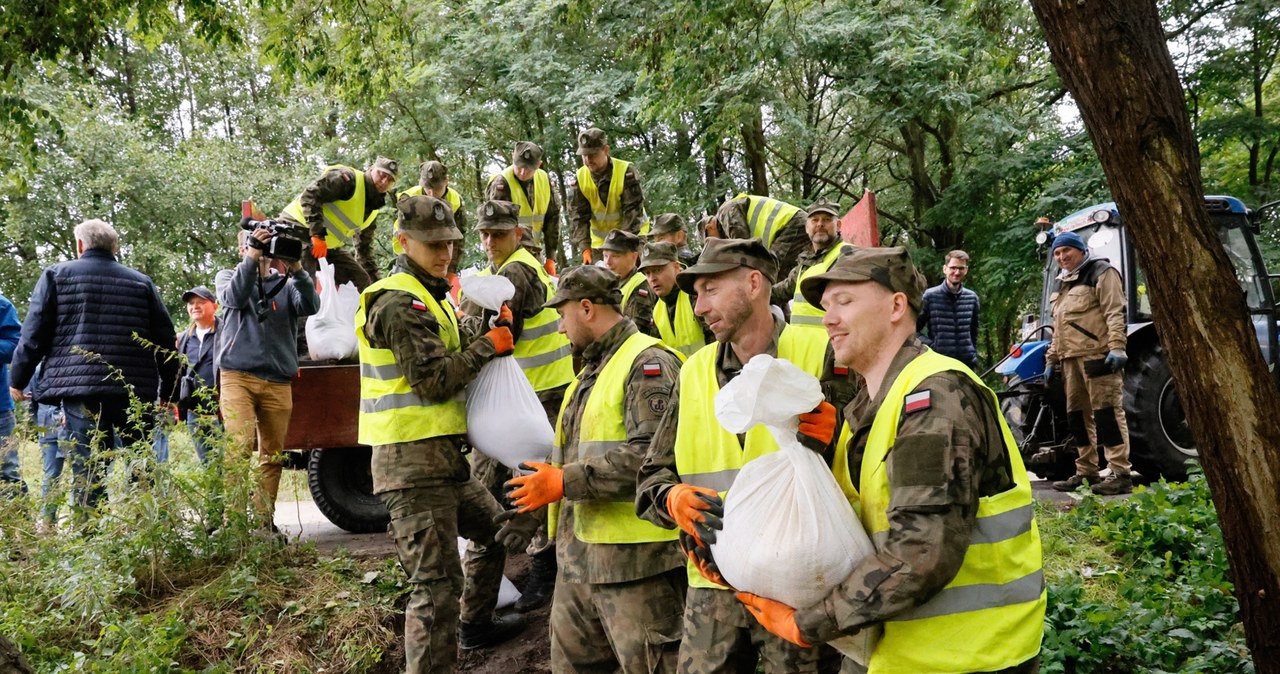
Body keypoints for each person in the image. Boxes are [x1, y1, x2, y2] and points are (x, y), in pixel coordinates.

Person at [734, 246, 1045, 673]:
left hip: (966, 657)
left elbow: (921, 550)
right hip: (905, 653)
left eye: (844, 302)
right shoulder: (870, 404)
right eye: (825, 307)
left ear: (897, 305)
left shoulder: (933, 399)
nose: (828, 319)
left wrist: (810, 623)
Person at [635, 238, 859, 674]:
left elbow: (875, 464)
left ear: (754, 283)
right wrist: (672, 500)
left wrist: (840, 437)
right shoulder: (693, 372)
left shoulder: (822, 353)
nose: (699, 307)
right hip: (712, 582)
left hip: (797, 584)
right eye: (696, 295)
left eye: (710, 290)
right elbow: (651, 480)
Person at [357, 195, 525, 672]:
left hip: (444, 464)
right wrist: (488, 347)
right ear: (401, 241)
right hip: (411, 469)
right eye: (432, 244)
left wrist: (487, 331)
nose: (444, 252)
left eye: (449, 242)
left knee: (497, 535)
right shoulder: (396, 300)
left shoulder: (430, 295)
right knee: (434, 590)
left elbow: (449, 346)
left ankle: (475, 626)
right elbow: (432, 381)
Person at [505, 265, 686, 672]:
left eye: (562, 315)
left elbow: (651, 458)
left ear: (586, 308)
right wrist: (534, 505)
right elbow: (572, 456)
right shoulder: (588, 372)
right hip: (580, 564)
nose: (559, 328)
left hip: (637, 568)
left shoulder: (647, 363)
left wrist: (562, 481)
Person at [9, 220, 178, 520]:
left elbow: (34, 334)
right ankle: (148, 533)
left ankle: (90, 540)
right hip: (132, 390)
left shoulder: (56, 275)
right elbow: (165, 340)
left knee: (87, 468)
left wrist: (18, 379)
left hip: (81, 390)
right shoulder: (142, 282)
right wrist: (168, 392)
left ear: (80, 245)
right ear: (115, 247)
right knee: (140, 463)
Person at [461, 200, 576, 612]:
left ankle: (542, 569)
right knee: (526, 483)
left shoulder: (515, 272)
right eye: (484, 234)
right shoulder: (508, 271)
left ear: (518, 234)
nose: (489, 241)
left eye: (498, 234)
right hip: (528, 396)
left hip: (535, 398)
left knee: (531, 484)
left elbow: (499, 334)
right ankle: (530, 571)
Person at [215, 228, 321, 528]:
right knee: (238, 449)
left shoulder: (285, 285)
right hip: (238, 376)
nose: (261, 249)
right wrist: (252, 258)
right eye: (251, 245)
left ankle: (264, 524)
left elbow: (312, 306)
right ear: (242, 249)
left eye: (264, 245)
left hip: (278, 379)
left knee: (272, 456)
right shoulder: (228, 277)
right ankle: (233, 524)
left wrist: (296, 266)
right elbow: (234, 298)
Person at [1043, 232, 1133, 495]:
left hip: (1098, 355)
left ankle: (1120, 472)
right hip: (1069, 359)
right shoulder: (1062, 284)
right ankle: (1087, 471)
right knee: (1077, 418)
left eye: (1066, 251)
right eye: (1057, 254)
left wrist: (1117, 347)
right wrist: (1051, 359)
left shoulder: (1102, 273)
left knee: (1107, 413)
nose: (1061, 257)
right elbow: (1059, 328)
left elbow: (1115, 312)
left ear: (1081, 250)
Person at [279, 156, 400, 291]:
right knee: (306, 288)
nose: (384, 181)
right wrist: (317, 235)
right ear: (371, 169)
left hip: (325, 246)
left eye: (389, 180)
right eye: (381, 174)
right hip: (296, 229)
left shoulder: (372, 211)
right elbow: (310, 195)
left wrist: (378, 287)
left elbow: (363, 250)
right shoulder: (348, 179)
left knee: (360, 280)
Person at [770, 199, 854, 329]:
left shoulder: (848, 256)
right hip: (801, 345)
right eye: (815, 220)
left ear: (838, 225)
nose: (820, 224)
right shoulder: (805, 262)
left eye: (826, 220)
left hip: (831, 346)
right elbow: (782, 291)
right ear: (806, 227)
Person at [569, 127, 648, 263]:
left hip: (632, 235)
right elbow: (578, 217)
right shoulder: (580, 177)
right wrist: (585, 248)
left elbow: (632, 214)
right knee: (599, 279)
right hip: (600, 244)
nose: (588, 160)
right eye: (584, 155)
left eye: (592, 154)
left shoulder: (626, 172)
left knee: (633, 270)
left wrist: (619, 248)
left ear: (605, 150)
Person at [486, 141, 563, 271]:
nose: (522, 172)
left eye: (528, 169)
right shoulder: (501, 183)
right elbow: (496, 227)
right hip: (506, 254)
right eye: (519, 166)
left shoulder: (544, 179)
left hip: (534, 253)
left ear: (539, 165)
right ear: (512, 157)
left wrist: (551, 258)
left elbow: (552, 219)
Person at [707, 193, 809, 278]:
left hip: (791, 224)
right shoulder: (730, 210)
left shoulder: (725, 211)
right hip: (796, 223)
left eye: (711, 240)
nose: (717, 243)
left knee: (769, 271)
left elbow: (743, 246)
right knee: (793, 275)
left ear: (709, 227)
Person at [639, 242, 712, 358]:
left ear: (676, 267)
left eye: (658, 270)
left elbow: (719, 345)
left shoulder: (695, 295)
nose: (652, 278)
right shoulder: (657, 309)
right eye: (647, 273)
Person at [396, 160, 469, 275]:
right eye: (427, 188)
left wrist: (450, 270)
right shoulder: (408, 199)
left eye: (436, 189)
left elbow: (458, 240)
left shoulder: (456, 201)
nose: (431, 194)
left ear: (446, 182)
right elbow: (399, 236)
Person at [176, 286, 222, 463]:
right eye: (191, 303)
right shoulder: (184, 338)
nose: (194, 306)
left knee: (228, 464)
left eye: (201, 302)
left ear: (215, 306)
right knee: (207, 465)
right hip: (194, 413)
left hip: (223, 412)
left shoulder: (226, 332)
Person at [917, 250, 981, 369]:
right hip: (940, 364)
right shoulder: (930, 296)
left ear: (966, 270)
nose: (956, 272)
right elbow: (914, 330)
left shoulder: (972, 298)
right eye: (953, 268)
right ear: (945, 269)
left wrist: (973, 353)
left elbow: (974, 332)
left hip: (966, 364)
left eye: (961, 268)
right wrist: (932, 346)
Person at [601, 229, 657, 337]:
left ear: (633, 257)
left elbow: (637, 331)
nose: (608, 262)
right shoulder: (610, 285)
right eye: (605, 256)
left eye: (615, 256)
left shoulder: (641, 285)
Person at [0, 292, 21, 496]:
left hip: (0, 409)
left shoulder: (2, 305)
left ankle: (18, 527)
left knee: (7, 472)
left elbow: (15, 345)